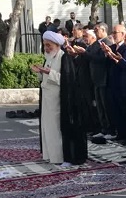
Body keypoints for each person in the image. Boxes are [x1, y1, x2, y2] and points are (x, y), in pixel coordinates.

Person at [30, 31, 88, 167]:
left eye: (49, 45)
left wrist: (49, 72)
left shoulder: (64, 57)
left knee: (58, 128)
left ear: (57, 45)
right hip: (47, 99)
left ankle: (63, 156)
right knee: (48, 127)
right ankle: (51, 155)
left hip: (60, 100)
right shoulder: (49, 57)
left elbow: (67, 79)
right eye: (45, 45)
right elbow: (45, 77)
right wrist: (40, 72)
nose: (46, 48)